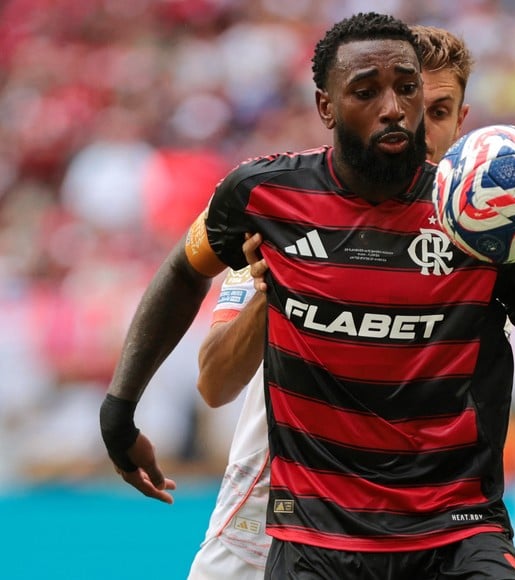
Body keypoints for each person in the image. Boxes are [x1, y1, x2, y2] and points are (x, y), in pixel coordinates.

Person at [100, 12, 515, 579]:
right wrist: (121, 409)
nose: (400, 111)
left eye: (415, 94)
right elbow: (195, 317)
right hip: (307, 530)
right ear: (327, 106)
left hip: (453, 530)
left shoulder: (479, 219)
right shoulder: (266, 203)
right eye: (370, 91)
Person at [186, 24, 474, 579]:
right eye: (376, 97)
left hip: (414, 533)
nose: (414, 125)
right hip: (266, 528)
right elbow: (214, 384)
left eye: (435, 111)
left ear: (462, 121)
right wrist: (270, 288)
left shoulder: (479, 241)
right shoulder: (296, 227)